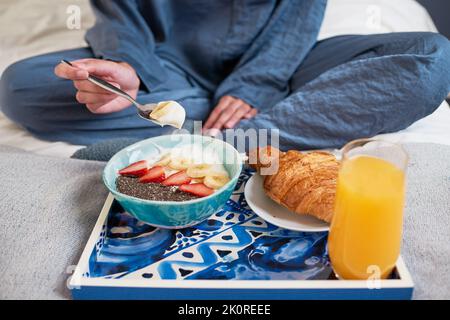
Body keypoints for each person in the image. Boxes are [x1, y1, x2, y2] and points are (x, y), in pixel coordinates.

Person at [0, 0, 449, 150]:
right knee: (19, 86)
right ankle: (264, 129)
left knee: (433, 60)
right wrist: (126, 69)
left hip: (280, 69)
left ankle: (229, 139)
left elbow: (298, 17)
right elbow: (119, 12)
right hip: (161, 70)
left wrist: (255, 84)